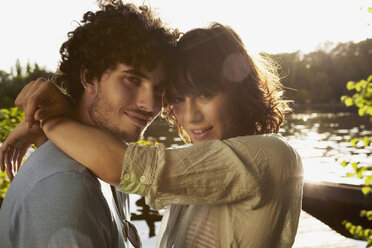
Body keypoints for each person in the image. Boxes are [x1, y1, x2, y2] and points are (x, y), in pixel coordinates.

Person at [1, 23, 303, 247]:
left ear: (239, 91)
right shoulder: (206, 165)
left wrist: (51, 119)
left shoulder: (270, 154)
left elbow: (132, 170)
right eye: (178, 98)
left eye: (206, 94)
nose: (190, 116)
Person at [0, 1, 178, 247]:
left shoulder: (107, 162)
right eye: (132, 79)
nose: (150, 103)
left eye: (159, 88)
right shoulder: (67, 190)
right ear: (88, 78)